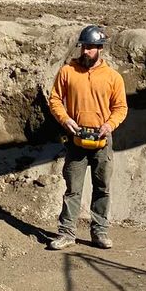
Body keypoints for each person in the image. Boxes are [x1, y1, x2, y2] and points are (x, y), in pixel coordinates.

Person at [47, 25, 128, 251]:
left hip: (102, 141)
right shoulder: (67, 72)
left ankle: (99, 232)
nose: (86, 52)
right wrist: (66, 121)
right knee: (73, 189)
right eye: (84, 47)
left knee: (102, 187)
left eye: (91, 47)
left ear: (100, 49)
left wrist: (109, 125)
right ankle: (66, 233)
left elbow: (120, 107)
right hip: (76, 139)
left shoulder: (113, 78)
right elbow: (54, 100)